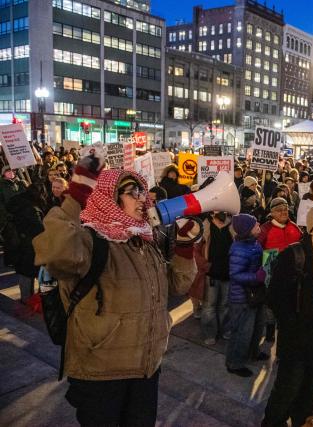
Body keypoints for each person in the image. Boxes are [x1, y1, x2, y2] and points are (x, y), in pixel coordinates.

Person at [32, 154, 196, 427]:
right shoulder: (89, 240)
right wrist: (75, 198)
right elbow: (53, 250)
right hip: (102, 374)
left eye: (143, 190)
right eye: (133, 191)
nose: (143, 197)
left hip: (146, 370)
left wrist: (186, 247)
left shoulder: (145, 240)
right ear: (108, 196)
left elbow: (177, 286)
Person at [262, 207, 313, 427]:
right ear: (311, 230)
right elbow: (275, 297)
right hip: (297, 339)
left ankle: (302, 420)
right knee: (288, 388)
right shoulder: (294, 255)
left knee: (311, 387)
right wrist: (292, 324)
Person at [226, 213, 268, 377]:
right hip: (242, 298)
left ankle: (253, 352)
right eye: (255, 224)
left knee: (257, 328)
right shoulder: (238, 249)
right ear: (247, 230)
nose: (259, 225)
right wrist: (256, 277)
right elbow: (235, 275)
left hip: (256, 293)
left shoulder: (254, 243)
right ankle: (235, 363)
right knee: (242, 332)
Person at [258, 197, 303, 342]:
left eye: (285, 209)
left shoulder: (295, 227)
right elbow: (257, 250)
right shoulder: (264, 229)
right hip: (271, 270)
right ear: (272, 212)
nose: (284, 212)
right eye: (279, 210)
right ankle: (270, 329)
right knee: (271, 302)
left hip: (293, 272)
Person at [201, 211, 233, 345]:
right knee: (209, 306)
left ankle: (225, 330)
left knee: (225, 305)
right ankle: (210, 334)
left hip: (228, 272)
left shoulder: (232, 223)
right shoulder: (207, 223)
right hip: (211, 272)